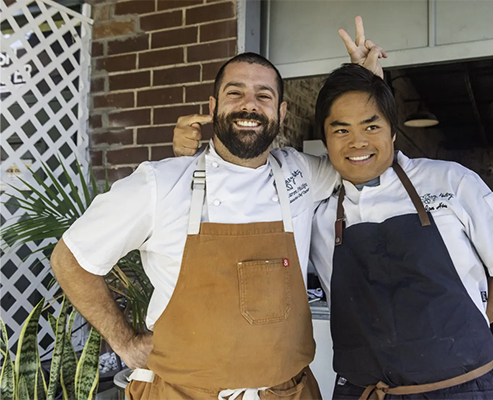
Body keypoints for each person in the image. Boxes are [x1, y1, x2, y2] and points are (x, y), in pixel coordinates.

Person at [51, 17, 387, 400]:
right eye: (235, 93)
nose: (250, 104)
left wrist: (368, 82)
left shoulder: (301, 172)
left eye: (263, 95)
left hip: (286, 392)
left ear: (282, 111)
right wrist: (124, 340)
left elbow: (366, 159)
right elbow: (70, 259)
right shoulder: (159, 183)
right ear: (212, 106)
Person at [307, 64, 493, 399]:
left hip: (464, 389)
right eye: (341, 130)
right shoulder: (318, 210)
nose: (357, 142)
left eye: (371, 126)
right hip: (367, 392)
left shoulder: (450, 181)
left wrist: (458, 339)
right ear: (325, 140)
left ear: (392, 132)